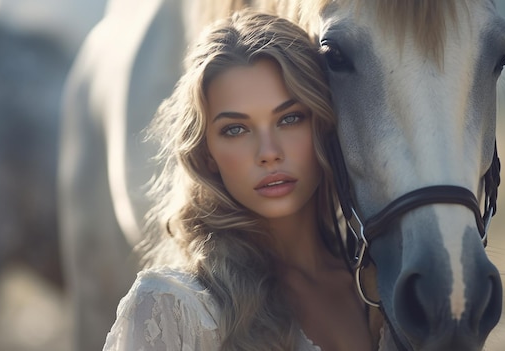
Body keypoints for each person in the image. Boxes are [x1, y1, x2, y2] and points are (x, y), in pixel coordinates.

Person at [103, 9, 376, 351]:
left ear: (323, 123)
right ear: (207, 155)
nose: (268, 152)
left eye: (290, 119)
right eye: (235, 129)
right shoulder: (173, 307)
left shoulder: (383, 284)